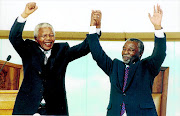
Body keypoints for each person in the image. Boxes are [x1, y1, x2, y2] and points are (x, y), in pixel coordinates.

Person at [9, 2, 100, 115]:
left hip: (55, 110)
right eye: (44, 36)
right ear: (36, 38)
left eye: (51, 35)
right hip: (27, 108)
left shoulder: (62, 50)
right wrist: (24, 15)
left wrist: (94, 27)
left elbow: (85, 47)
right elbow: (14, 37)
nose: (48, 38)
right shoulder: (29, 49)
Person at [87, 5, 166, 116]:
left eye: (131, 50)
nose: (125, 52)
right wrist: (93, 28)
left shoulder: (147, 67)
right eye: (124, 49)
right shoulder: (114, 66)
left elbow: (159, 54)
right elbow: (97, 54)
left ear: (140, 53)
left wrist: (158, 27)